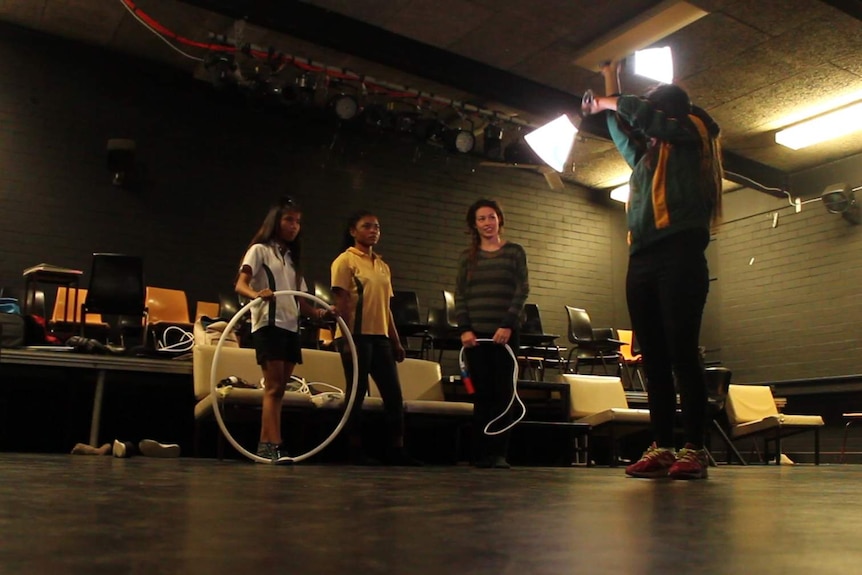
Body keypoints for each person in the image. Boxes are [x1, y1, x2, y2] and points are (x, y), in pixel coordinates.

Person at [583, 61, 723, 480]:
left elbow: (644, 116)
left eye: (654, 114)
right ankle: (663, 446)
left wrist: (612, 98)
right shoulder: (647, 158)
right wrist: (611, 83)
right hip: (642, 260)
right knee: (654, 360)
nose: (647, 125)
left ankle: (694, 449)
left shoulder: (694, 132)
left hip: (679, 254)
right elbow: (621, 127)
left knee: (683, 355)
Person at [235, 196, 334, 463]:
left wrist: (322, 312)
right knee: (274, 387)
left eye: (298, 222)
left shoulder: (292, 259)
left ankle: (268, 443)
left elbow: (302, 303)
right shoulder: (259, 250)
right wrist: (258, 293)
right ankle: (271, 443)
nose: (294, 226)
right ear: (276, 221)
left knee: (280, 389)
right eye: (289, 219)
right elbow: (241, 285)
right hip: (268, 323)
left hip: (291, 327)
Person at [330, 210, 421, 466]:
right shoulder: (345, 261)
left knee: (393, 394)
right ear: (353, 231)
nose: (373, 231)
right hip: (355, 335)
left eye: (377, 227)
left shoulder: (382, 265)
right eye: (367, 226)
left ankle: (396, 449)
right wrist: (346, 339)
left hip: (379, 337)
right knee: (357, 393)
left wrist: (396, 340)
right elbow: (342, 302)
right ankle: (353, 449)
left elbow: (386, 307)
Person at [455, 199, 529, 469]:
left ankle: (499, 453)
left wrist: (508, 324)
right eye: (481, 219)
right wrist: (464, 329)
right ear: (474, 225)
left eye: (491, 217)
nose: (487, 223)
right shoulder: (467, 257)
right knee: (481, 396)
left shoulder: (514, 253)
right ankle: (479, 454)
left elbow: (522, 290)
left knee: (504, 395)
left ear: (499, 219)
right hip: (475, 337)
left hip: (506, 336)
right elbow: (460, 295)